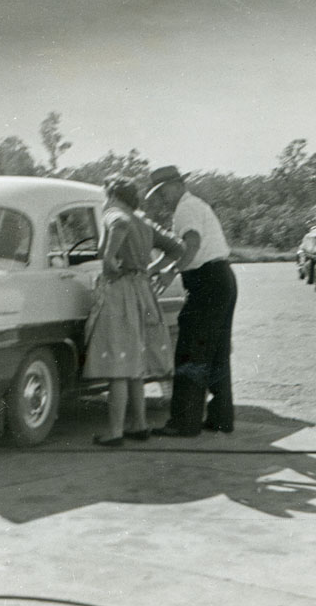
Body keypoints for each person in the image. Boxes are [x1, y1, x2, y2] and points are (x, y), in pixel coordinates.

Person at [83, 175, 186, 446]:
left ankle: (115, 431)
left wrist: (108, 256)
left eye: (107, 195)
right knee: (134, 364)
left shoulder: (115, 213)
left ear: (113, 194)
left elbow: (118, 223)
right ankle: (138, 424)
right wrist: (155, 269)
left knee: (118, 363)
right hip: (142, 290)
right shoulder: (143, 220)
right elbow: (178, 246)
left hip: (121, 291)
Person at [145, 165, 238, 437]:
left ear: (175, 185)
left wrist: (170, 272)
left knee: (190, 350)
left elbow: (192, 245)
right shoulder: (195, 205)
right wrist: (154, 268)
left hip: (206, 282)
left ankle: (184, 422)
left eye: (162, 193)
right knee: (218, 351)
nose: (162, 199)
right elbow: (179, 249)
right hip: (221, 279)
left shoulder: (185, 209)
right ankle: (221, 417)